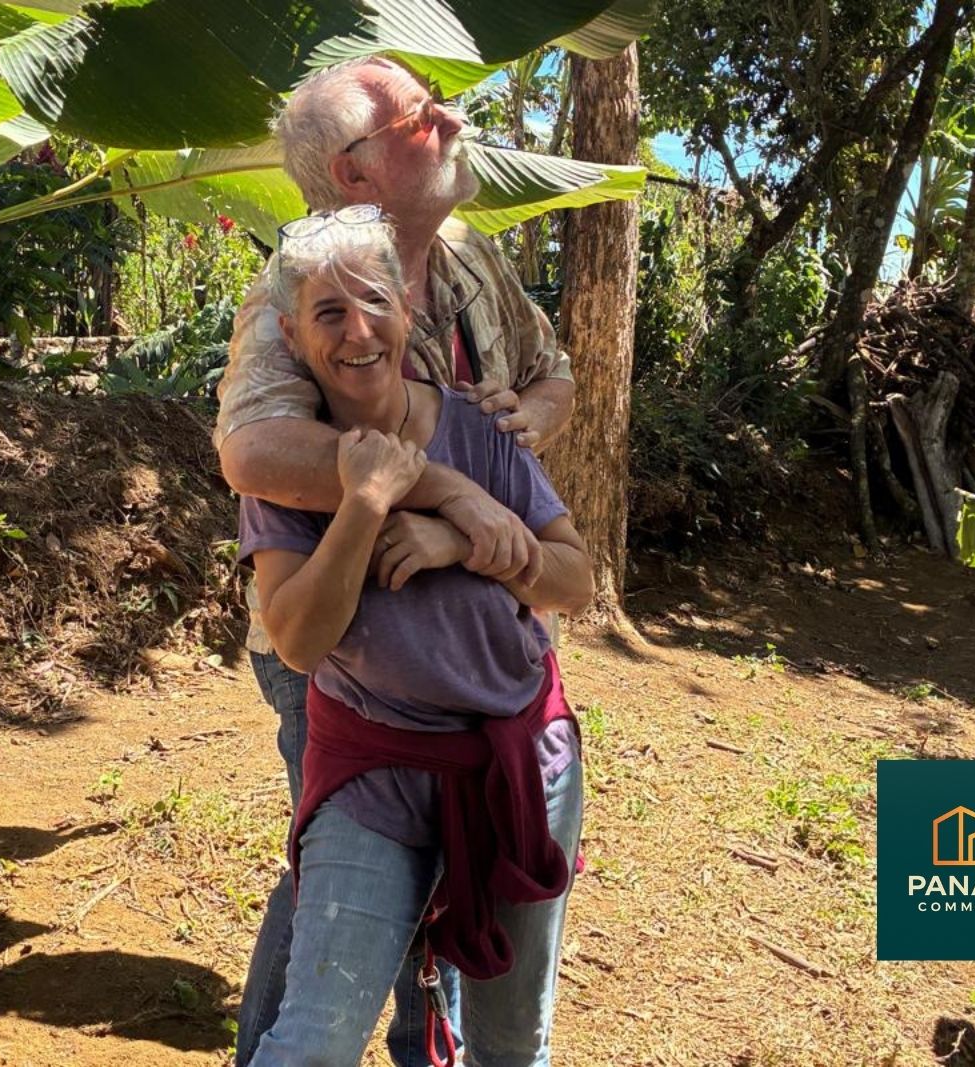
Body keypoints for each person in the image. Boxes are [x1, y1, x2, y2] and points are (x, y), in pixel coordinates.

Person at [218, 56, 579, 1065]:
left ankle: (429, 1045)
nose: (455, 120)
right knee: (340, 873)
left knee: (461, 850)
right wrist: (447, 483)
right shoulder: (291, 298)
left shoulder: (467, 260)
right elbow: (252, 451)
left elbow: (551, 375)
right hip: (338, 640)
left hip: (476, 624)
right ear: (355, 174)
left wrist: (519, 427)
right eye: (422, 118)